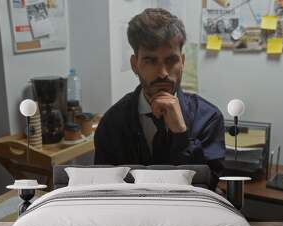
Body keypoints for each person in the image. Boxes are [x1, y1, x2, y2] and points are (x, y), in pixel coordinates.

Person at [94, 8, 226, 189]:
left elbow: (208, 185)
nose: (163, 73)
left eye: (171, 60)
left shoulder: (208, 118)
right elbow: (104, 189)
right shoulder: (112, 122)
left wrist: (181, 133)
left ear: (183, 62)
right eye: (151, 61)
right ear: (135, 65)